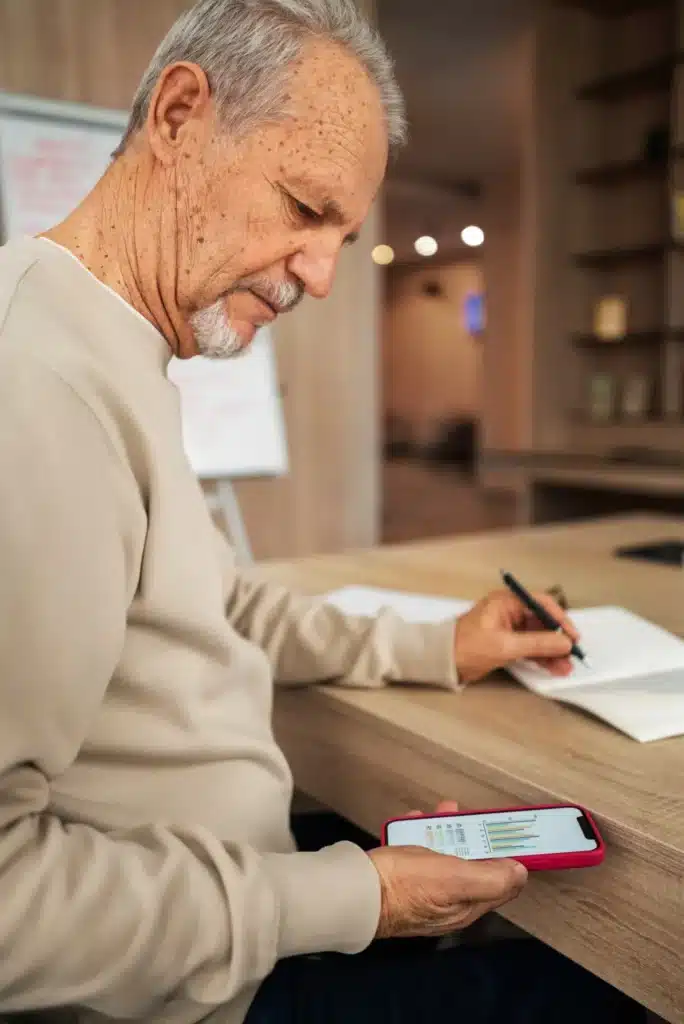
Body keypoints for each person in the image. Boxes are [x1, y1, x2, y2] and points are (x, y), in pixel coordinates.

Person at [0, 2, 644, 1023]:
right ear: (178, 117)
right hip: (191, 989)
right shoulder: (38, 390)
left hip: (237, 917)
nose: (323, 274)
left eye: (342, 234)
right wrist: (361, 897)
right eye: (305, 208)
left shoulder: (109, 349)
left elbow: (226, 606)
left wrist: (442, 644)